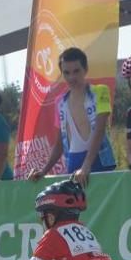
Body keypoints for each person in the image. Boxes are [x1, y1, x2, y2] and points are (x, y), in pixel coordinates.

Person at [29, 48, 117, 185]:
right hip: (73, 162)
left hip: (98, 159)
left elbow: (100, 131)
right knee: (75, 206)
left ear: (85, 69)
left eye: (76, 71)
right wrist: (44, 170)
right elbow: (59, 143)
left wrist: (86, 165)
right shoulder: (60, 102)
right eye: (66, 73)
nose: (71, 77)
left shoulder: (100, 91)